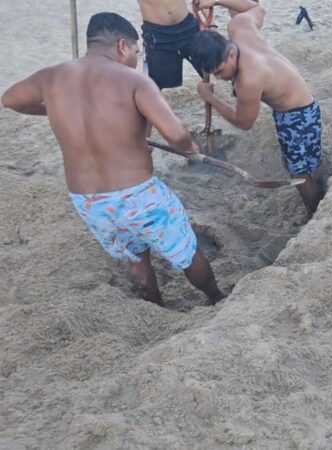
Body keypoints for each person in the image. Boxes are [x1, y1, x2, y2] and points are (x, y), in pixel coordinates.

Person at [1, 12, 227, 306]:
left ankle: (154, 308)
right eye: (136, 51)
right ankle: (217, 298)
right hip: (138, 195)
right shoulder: (134, 80)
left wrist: (55, 111)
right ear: (122, 46)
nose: (136, 57)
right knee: (185, 251)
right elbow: (175, 133)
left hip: (88, 201)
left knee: (135, 256)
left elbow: (10, 99)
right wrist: (189, 149)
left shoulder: (51, 76)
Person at [189, 0, 323, 214]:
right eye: (213, 73)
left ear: (230, 54)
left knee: (299, 175)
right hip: (300, 103)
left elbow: (244, 122)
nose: (219, 77)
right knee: (299, 165)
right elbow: (256, 7)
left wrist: (211, 98)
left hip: (297, 117)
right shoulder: (240, 27)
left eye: (221, 71)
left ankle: (315, 213)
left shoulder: (249, 79)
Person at [138, 0, 209, 89]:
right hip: (157, 35)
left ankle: (209, 101)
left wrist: (211, 23)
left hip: (188, 25)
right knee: (153, 86)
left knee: (210, 70)